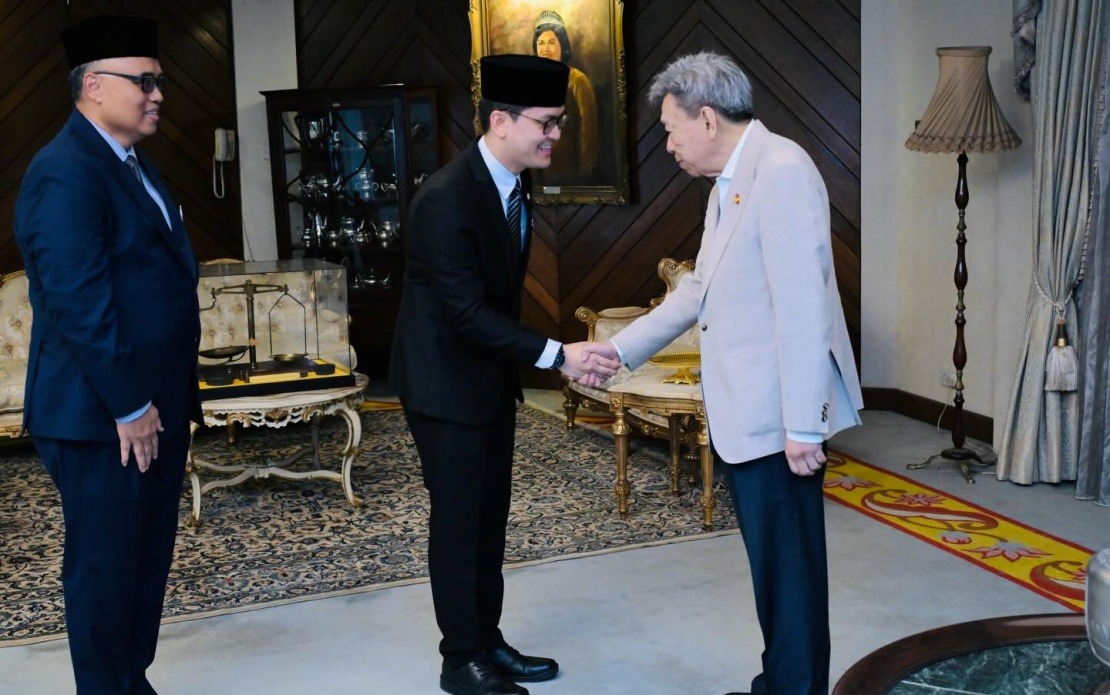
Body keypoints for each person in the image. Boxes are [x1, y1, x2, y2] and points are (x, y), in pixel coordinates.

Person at [597, 52, 864, 695]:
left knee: (791, 573)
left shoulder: (782, 171)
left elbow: (803, 310)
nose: (669, 145)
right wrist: (618, 351)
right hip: (749, 412)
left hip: (778, 420)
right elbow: (697, 291)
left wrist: (804, 426)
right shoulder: (730, 184)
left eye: (671, 129)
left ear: (708, 119)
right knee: (773, 569)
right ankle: (779, 682)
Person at [389, 54, 620, 695]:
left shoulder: (513, 186)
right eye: (546, 123)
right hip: (444, 385)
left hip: (486, 380)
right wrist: (558, 356)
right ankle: (460, 660)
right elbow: (465, 313)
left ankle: (486, 641)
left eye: (559, 122)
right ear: (500, 121)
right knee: (459, 523)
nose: (556, 135)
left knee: (489, 521)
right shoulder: (446, 198)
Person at [13, 15, 201, 695]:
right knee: (105, 569)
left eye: (159, 81)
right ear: (93, 85)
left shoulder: (132, 163)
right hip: (102, 415)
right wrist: (129, 404)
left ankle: (129, 680)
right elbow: (78, 303)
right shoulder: (64, 172)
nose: (158, 95)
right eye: (144, 82)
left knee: (144, 562)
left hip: (151, 406)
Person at [531, 10, 599, 184]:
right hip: (536, 172)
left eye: (551, 42)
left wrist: (584, 172)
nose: (545, 49)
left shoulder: (578, 81)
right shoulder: (530, 82)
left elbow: (588, 132)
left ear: (562, 45)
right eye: (541, 43)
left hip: (568, 170)